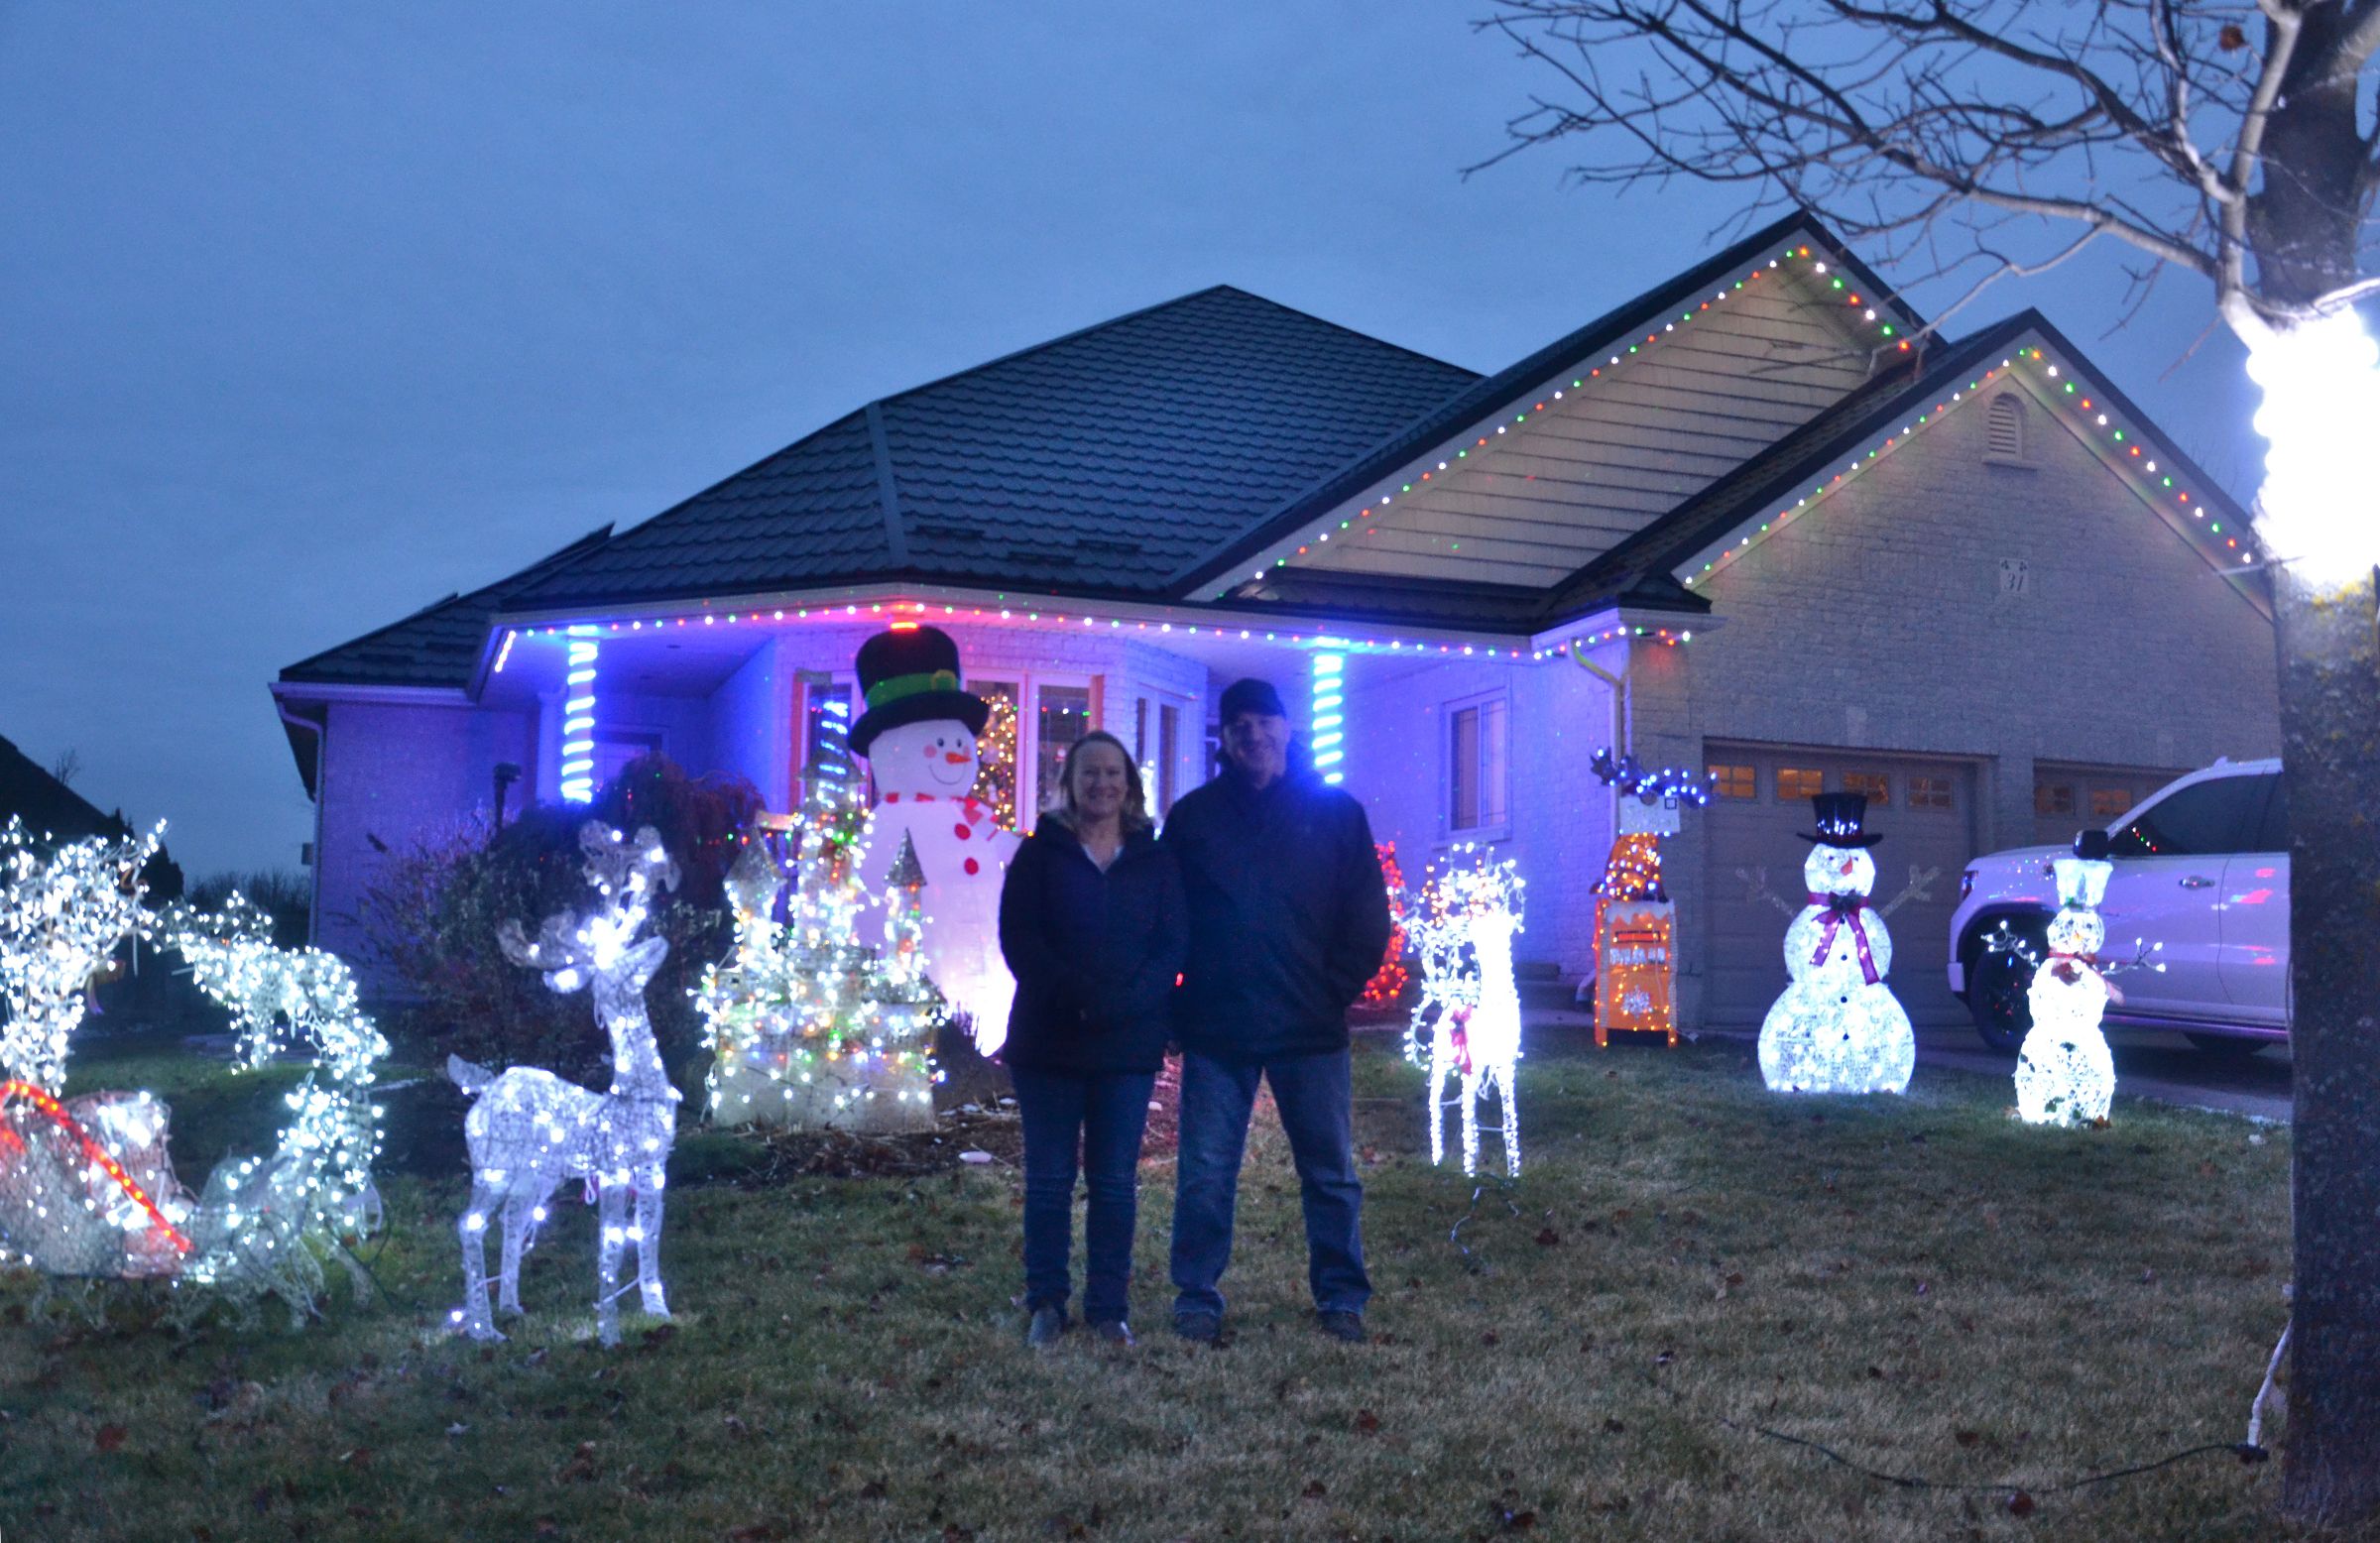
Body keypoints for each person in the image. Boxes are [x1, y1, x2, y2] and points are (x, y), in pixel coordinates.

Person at [1163, 678, 1391, 1344]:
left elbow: (1368, 918)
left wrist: (1332, 989)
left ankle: (1342, 1296)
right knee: (1205, 1173)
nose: (1253, 734)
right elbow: (1169, 917)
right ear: (1224, 739)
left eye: (1265, 721)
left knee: (1330, 1174)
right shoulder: (1194, 819)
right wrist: (1177, 1006)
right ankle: (1197, 1295)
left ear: (1288, 730)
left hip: (1309, 1029)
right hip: (1217, 1027)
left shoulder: (1337, 814)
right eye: (1239, 726)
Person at [998, 731, 1187, 1347]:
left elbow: (1171, 944)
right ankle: (1046, 1302)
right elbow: (1021, 942)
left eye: (1112, 773)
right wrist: (1079, 997)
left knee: (1112, 1183)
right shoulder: (1039, 853)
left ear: (1129, 783)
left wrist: (1133, 1003)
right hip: (1049, 1042)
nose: (1102, 784)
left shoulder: (1154, 859)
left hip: (1127, 1049)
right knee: (1050, 1181)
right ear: (1070, 784)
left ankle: (1109, 1307)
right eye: (1089, 774)